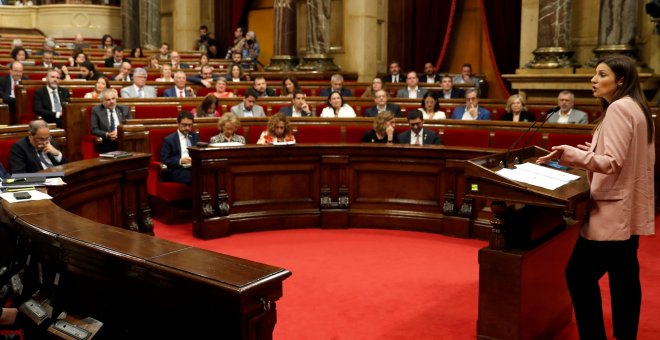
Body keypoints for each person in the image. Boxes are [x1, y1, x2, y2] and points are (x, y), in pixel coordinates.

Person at [536, 54, 654, 340]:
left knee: (578, 276)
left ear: (621, 80)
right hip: (629, 211)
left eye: (602, 75)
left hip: (611, 214)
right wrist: (595, 150)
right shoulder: (638, 108)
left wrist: (571, 154)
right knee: (624, 280)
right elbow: (630, 157)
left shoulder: (617, 109)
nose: (593, 79)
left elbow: (612, 162)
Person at [160, 111, 200, 186]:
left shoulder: (195, 136)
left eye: (190, 125)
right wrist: (180, 161)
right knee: (194, 176)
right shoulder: (169, 139)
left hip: (193, 167)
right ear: (177, 123)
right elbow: (164, 159)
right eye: (184, 125)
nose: (187, 128)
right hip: (178, 169)